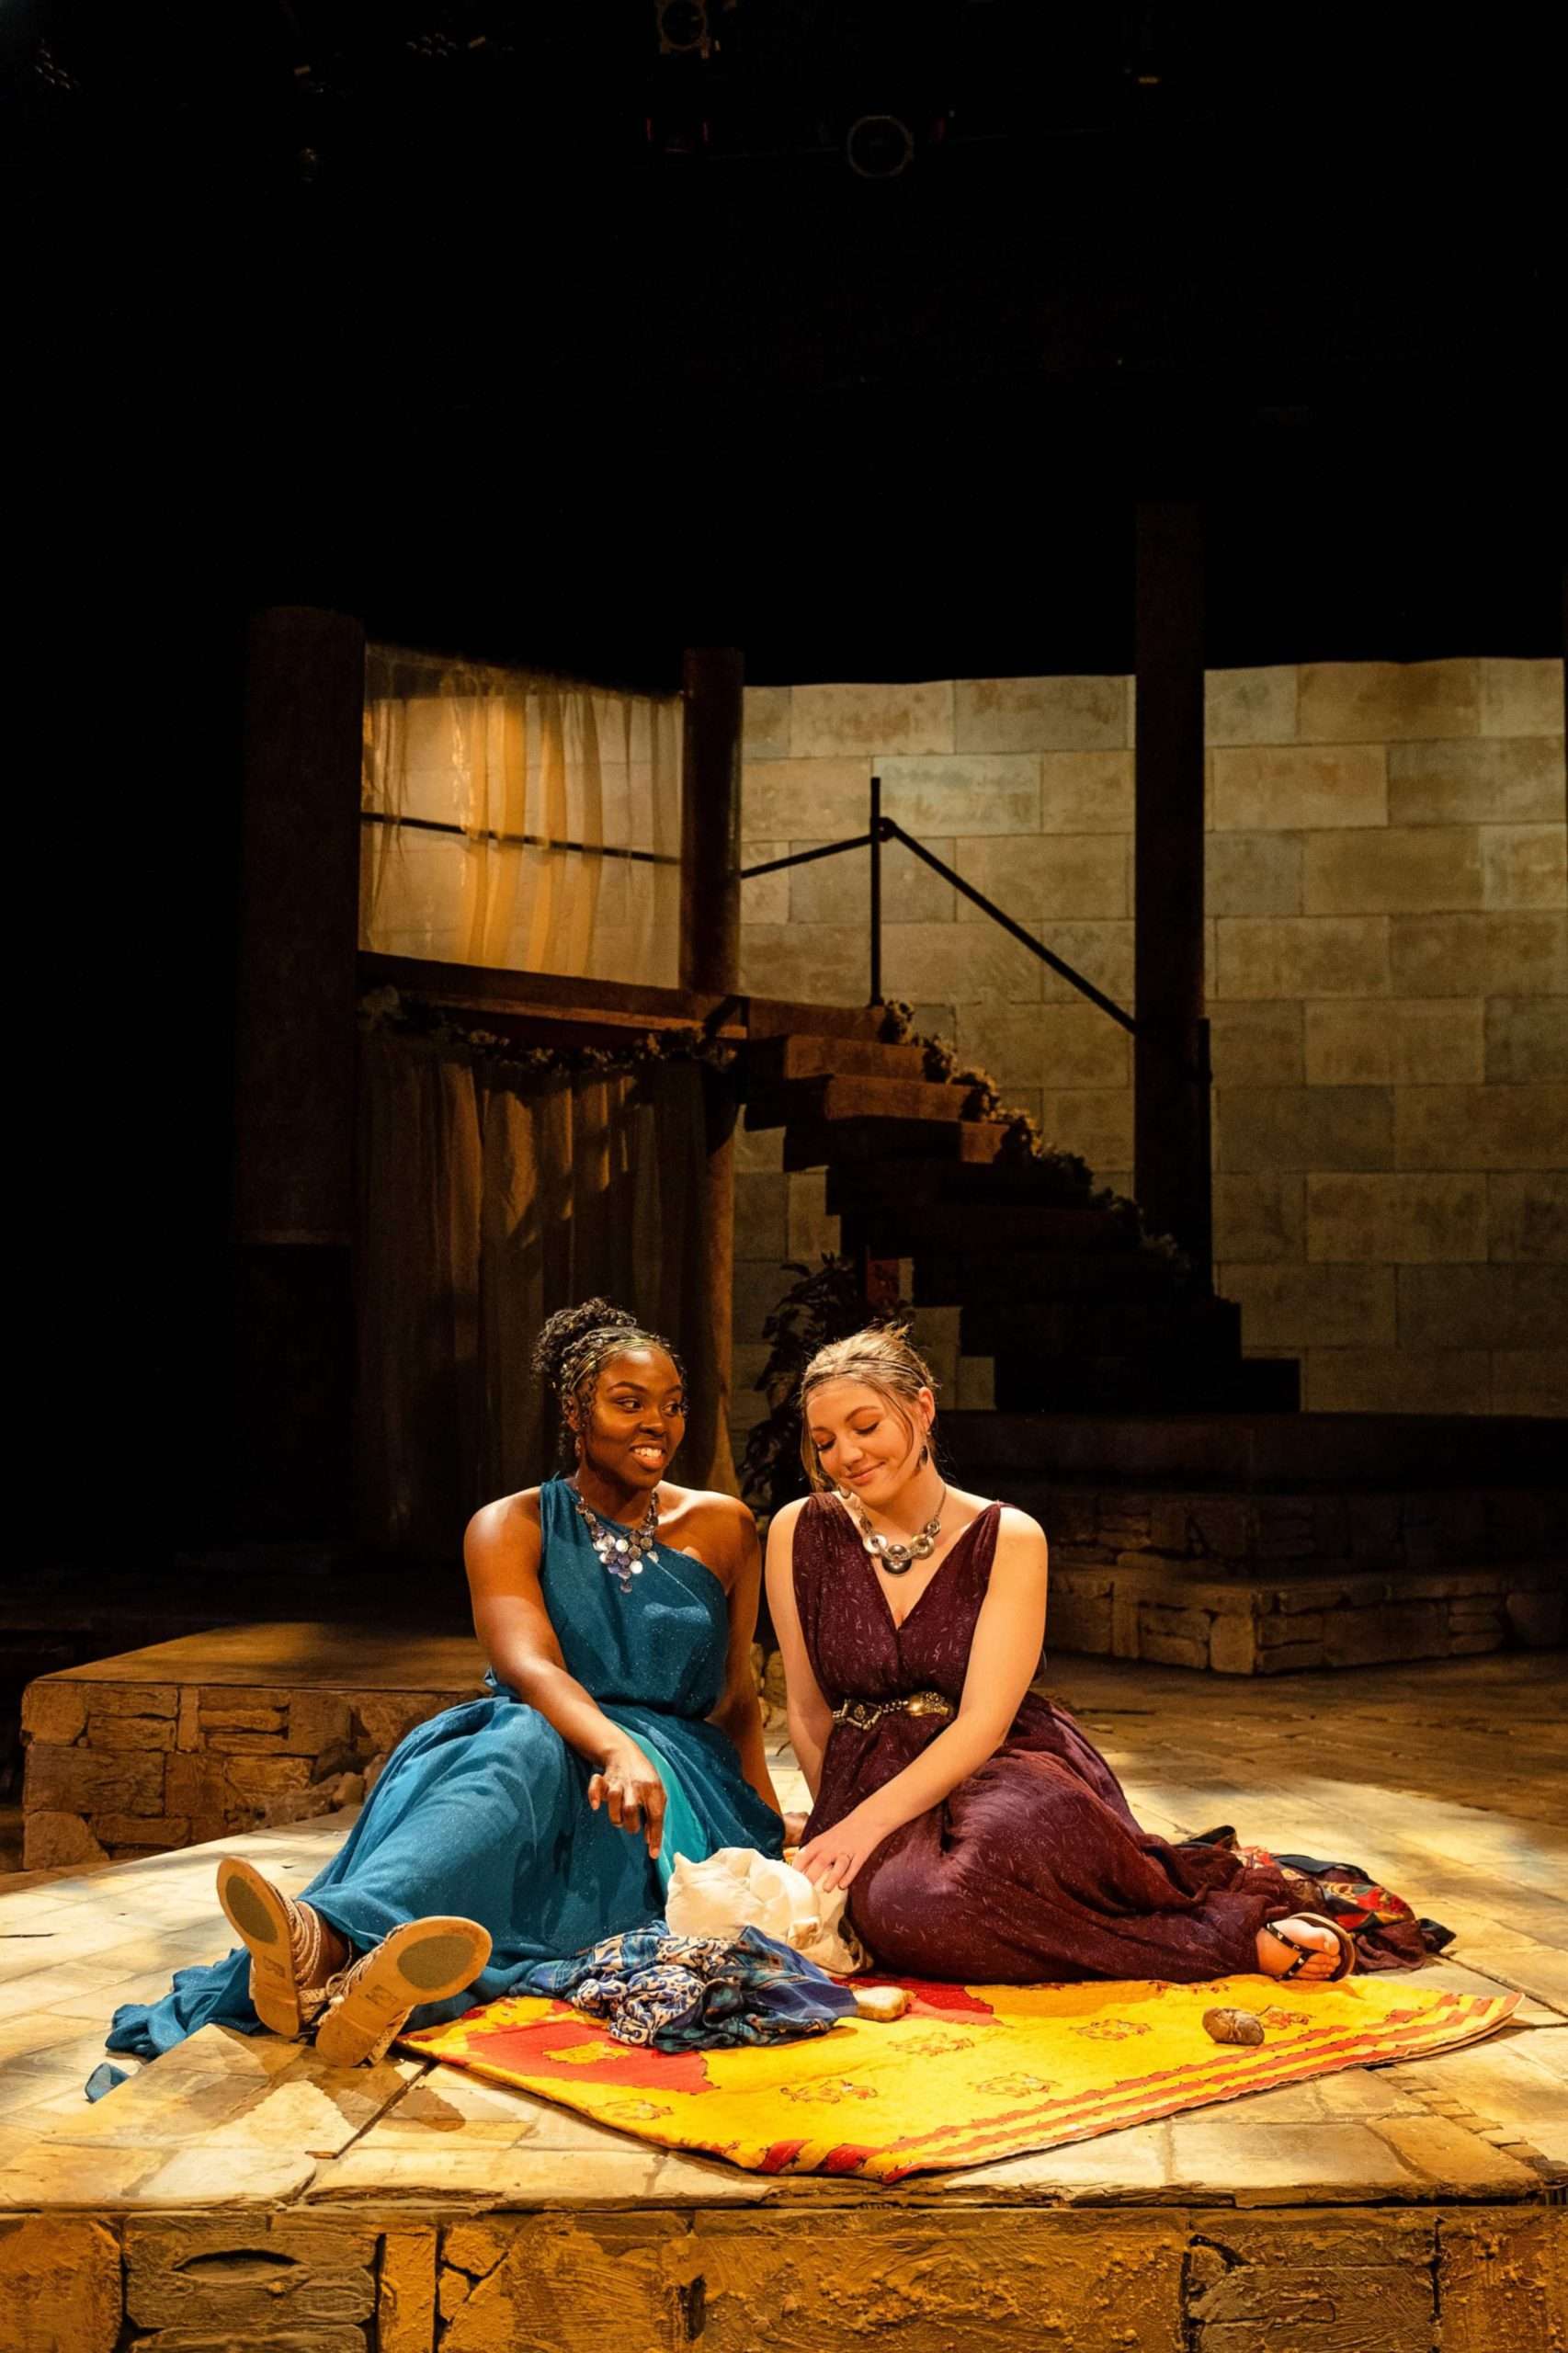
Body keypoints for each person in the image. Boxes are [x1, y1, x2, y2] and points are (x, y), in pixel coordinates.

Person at [99, 1299, 785, 2075]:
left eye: (672, 1406)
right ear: (574, 1412)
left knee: (524, 1747)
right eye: (628, 1403)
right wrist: (611, 1747)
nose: (655, 1423)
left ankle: (328, 1950)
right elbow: (528, 1666)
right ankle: (349, 1970)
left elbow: (735, 1697)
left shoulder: (725, 1525)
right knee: (514, 1736)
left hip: (669, 1778)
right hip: (556, 1740)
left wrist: (764, 1821)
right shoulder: (508, 1525)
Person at [766, 1324, 1401, 1988]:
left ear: (922, 1409)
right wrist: (841, 1818)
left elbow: (984, 1722)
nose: (847, 1455)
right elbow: (807, 1709)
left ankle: (1234, 1931)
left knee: (1023, 1842)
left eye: (866, 1426)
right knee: (911, 1907)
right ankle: (1224, 1944)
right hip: (867, 1773)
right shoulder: (798, 1531)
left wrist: (866, 1824)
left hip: (995, 1761)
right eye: (825, 1442)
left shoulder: (1009, 1536)